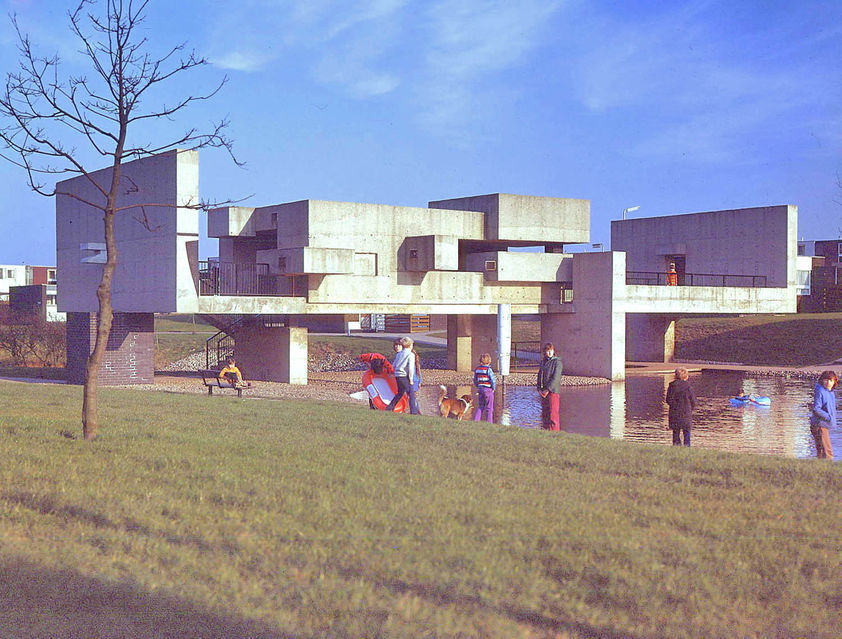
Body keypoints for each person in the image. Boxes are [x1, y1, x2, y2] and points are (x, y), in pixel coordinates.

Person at [810, 370, 837, 459]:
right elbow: (816, 409)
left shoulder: (831, 392)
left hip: (824, 424)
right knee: (828, 451)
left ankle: (820, 469)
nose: (828, 382)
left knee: (821, 450)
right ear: (822, 380)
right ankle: (830, 470)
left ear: (834, 381)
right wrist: (828, 417)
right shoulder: (820, 391)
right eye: (826, 380)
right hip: (819, 424)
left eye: (830, 380)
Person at [665, 367, 696, 446]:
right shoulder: (688, 387)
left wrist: (674, 406)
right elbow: (693, 401)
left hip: (674, 413)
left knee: (675, 433)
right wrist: (690, 408)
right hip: (686, 413)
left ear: (675, 376)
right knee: (687, 433)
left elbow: (668, 400)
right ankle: (687, 449)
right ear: (686, 376)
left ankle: (676, 447)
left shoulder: (672, 386)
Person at [386, 337, 416, 412]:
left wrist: (392, 373)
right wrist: (411, 379)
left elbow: (394, 365)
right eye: (412, 344)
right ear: (409, 345)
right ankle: (413, 411)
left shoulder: (399, 354)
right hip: (404, 376)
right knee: (411, 394)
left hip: (398, 376)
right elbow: (411, 368)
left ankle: (389, 407)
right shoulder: (411, 354)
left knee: (400, 393)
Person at [536, 342, 561, 431]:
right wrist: (539, 388)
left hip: (553, 392)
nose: (549, 352)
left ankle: (555, 434)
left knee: (553, 415)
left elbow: (556, 378)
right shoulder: (543, 362)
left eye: (550, 350)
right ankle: (546, 432)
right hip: (544, 392)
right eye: (547, 351)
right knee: (545, 415)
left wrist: (547, 390)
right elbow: (540, 375)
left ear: (553, 351)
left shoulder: (557, 362)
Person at [473, 352, 497, 423]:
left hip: (480, 389)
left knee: (480, 406)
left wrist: (478, 386)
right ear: (489, 361)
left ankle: (476, 421)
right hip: (488, 389)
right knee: (490, 407)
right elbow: (493, 380)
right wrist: (493, 388)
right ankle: (489, 422)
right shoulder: (488, 370)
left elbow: (475, 380)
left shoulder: (477, 369)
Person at [409, 349, 422, 415]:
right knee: (414, 397)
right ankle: (416, 410)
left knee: (412, 397)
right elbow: (419, 374)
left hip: (412, 382)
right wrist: (420, 382)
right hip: (416, 382)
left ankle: (416, 410)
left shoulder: (410, 364)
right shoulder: (416, 364)